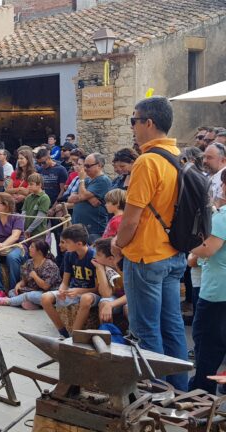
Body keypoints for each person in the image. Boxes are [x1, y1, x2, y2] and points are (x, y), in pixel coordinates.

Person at [111, 96, 188, 391]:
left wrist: (118, 244)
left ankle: (155, 396)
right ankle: (179, 393)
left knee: (146, 331)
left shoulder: (147, 161)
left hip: (146, 257)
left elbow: (131, 219)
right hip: (173, 253)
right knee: (173, 328)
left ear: (149, 123)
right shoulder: (177, 158)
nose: (132, 127)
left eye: (134, 121)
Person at [187, 171, 226, 393]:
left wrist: (185, 245)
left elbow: (208, 249)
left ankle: (202, 389)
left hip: (217, 291)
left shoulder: (223, 216)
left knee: (207, 343)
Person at [41, 224, 98, 337]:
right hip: (72, 291)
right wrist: (62, 290)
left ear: (79, 244)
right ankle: (63, 332)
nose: (63, 245)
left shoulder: (94, 257)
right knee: (45, 298)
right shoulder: (68, 255)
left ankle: (74, 336)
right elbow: (65, 281)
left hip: (88, 292)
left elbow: (97, 289)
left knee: (85, 300)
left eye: (67, 242)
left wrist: (78, 291)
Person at [0, 192, 26, 299]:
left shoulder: (17, 217)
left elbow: (15, 237)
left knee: (12, 257)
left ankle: (13, 290)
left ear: (6, 205)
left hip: (16, 247)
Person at [0, 239, 61, 309]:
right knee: (12, 292)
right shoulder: (29, 262)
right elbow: (25, 280)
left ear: (39, 251)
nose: (29, 248)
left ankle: (8, 301)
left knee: (30, 295)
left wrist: (35, 276)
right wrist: (19, 284)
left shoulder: (50, 266)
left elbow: (46, 286)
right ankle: (34, 305)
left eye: (32, 247)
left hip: (46, 293)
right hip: (31, 290)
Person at [69, 153, 111, 239]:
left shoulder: (102, 180)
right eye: (84, 165)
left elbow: (81, 195)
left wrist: (81, 180)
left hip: (94, 230)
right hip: (79, 229)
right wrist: (89, 197)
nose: (84, 169)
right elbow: (71, 198)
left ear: (99, 166)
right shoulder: (87, 180)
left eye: (88, 166)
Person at [93, 238, 127, 324]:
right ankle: (108, 334)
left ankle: (134, 335)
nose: (94, 257)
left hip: (130, 299)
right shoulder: (100, 266)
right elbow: (106, 294)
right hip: (116, 298)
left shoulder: (124, 268)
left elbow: (132, 295)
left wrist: (111, 304)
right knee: (104, 303)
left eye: (98, 255)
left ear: (111, 259)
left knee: (128, 308)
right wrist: (100, 269)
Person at [21, 173, 50, 240]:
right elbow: (23, 214)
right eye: (28, 184)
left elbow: (40, 217)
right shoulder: (28, 197)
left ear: (39, 185)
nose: (29, 186)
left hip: (38, 233)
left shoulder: (44, 198)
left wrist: (29, 230)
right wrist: (22, 228)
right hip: (26, 231)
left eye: (31, 184)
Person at [203, 142, 226, 208]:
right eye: (204, 157)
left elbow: (221, 209)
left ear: (223, 160)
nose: (204, 161)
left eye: (209, 158)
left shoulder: (224, 180)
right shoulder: (209, 175)